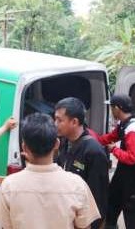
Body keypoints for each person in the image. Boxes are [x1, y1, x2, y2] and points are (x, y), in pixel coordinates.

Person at [0, 113, 100, 229]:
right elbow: (85, 226)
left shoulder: (9, 185)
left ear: (24, 147)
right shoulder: (77, 185)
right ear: (56, 144)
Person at [54, 97, 109, 229]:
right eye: (55, 118)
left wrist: (92, 225)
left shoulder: (94, 152)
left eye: (59, 120)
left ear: (74, 122)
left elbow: (98, 197)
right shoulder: (63, 142)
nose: (55, 124)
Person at [96, 94, 135, 229]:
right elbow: (110, 137)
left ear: (117, 108)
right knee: (111, 206)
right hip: (122, 174)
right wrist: (91, 138)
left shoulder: (132, 129)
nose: (111, 111)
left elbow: (132, 158)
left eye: (111, 107)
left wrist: (113, 150)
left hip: (132, 179)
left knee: (131, 216)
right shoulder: (123, 124)